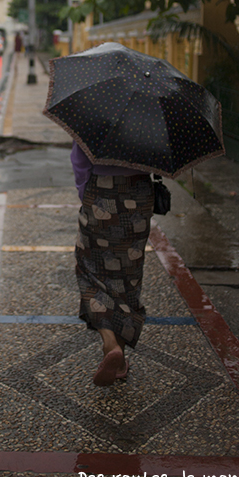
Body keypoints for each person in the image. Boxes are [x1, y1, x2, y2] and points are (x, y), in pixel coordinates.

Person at [71, 141, 154, 387]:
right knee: (128, 275)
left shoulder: (97, 109)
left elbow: (80, 159)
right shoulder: (150, 117)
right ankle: (119, 359)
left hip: (101, 193)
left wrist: (85, 192)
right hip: (139, 196)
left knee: (90, 269)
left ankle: (109, 342)